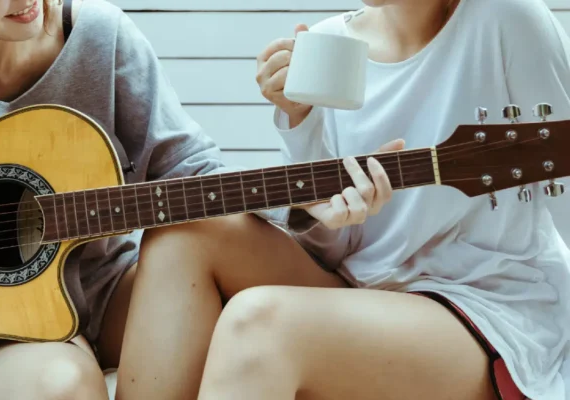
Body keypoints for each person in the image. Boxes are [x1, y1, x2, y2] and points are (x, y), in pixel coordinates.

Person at [0, 0, 375, 399]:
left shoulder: (102, 37)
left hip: (105, 294)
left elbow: (191, 172)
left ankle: (375, 344)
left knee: (200, 230)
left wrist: (305, 203)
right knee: (61, 387)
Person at [188, 0, 569, 399]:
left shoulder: (506, 18)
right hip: (366, 290)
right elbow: (334, 247)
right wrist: (299, 120)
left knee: (260, 322)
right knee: (185, 237)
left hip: (486, 308)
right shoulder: (328, 43)